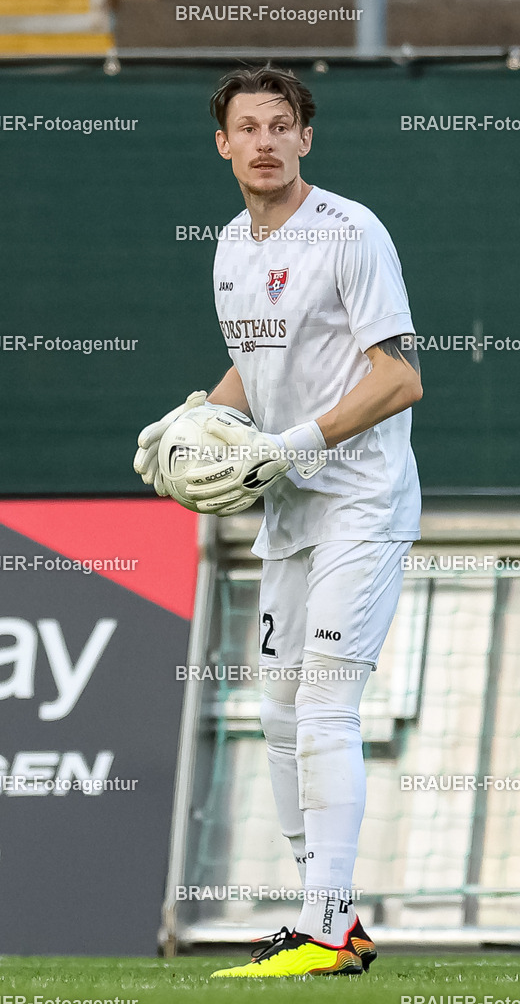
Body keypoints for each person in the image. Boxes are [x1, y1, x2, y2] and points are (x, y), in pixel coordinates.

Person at [134, 64, 422, 977]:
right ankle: (328, 918)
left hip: (360, 503)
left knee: (327, 706)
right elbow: (252, 376)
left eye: (280, 125)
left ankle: (324, 933)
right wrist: (193, 419)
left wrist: (288, 445)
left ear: (306, 138)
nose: (263, 141)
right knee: (277, 711)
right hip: (291, 511)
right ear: (222, 145)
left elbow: (399, 377)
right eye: (245, 127)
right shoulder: (227, 244)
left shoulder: (350, 233)